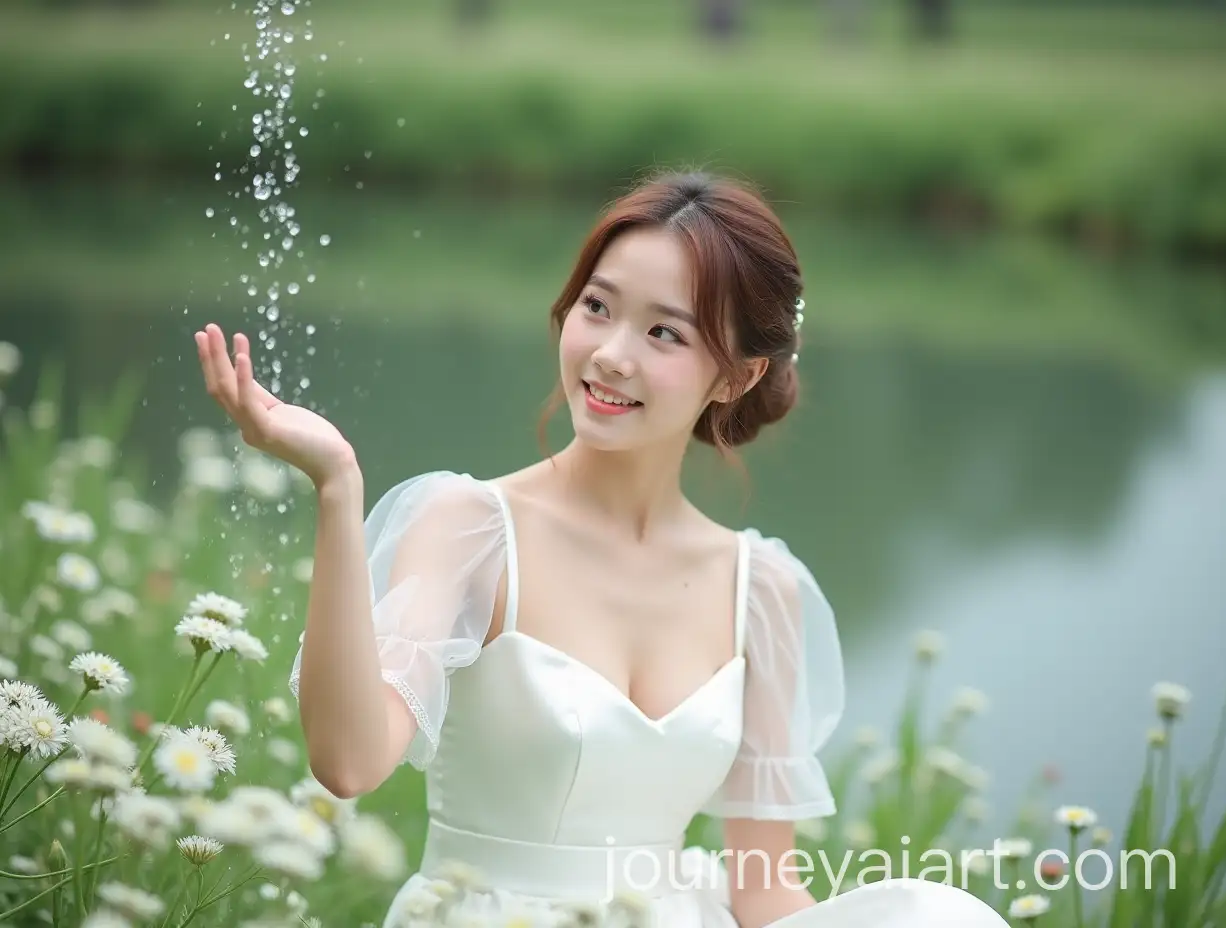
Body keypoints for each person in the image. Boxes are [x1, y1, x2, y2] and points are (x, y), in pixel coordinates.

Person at [194, 171, 1010, 927]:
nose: (611, 354)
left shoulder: (762, 591)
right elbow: (348, 762)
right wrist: (337, 487)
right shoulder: (472, 528)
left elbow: (765, 892)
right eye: (597, 307)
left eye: (663, 332)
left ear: (737, 376)